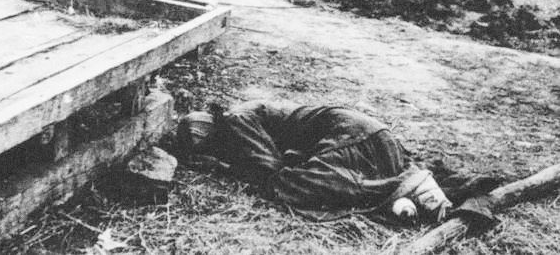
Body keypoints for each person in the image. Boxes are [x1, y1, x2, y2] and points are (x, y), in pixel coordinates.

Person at [177, 101, 452, 222]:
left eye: (210, 146)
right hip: (371, 135)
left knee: (288, 186)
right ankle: (409, 192)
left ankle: (412, 190)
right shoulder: (249, 114)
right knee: (369, 171)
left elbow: (270, 171)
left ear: (214, 131)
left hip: (352, 139)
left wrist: (225, 168)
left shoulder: (237, 120)